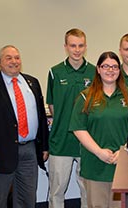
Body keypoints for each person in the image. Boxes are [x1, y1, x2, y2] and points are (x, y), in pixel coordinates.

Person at [0, 45, 49, 207]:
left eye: (17, 57)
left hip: (29, 151)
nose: (14, 61)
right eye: (9, 58)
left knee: (27, 199)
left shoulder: (32, 83)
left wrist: (44, 147)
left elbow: (41, 116)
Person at [69, 51, 128, 208]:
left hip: (123, 164)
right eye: (106, 66)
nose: (110, 70)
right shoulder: (85, 97)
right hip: (95, 165)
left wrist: (125, 149)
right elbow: (79, 129)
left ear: (119, 70)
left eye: (114, 67)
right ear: (98, 69)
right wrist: (99, 152)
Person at [46, 28, 95, 208]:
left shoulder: (94, 72)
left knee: (87, 190)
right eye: (73, 45)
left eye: (80, 45)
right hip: (61, 141)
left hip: (87, 142)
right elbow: (52, 106)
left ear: (85, 47)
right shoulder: (55, 72)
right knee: (57, 191)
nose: (77, 50)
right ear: (65, 47)